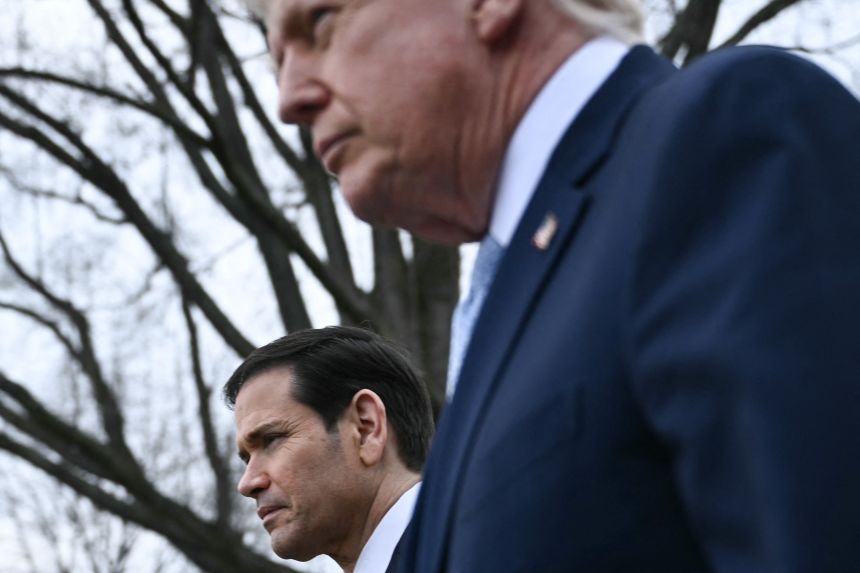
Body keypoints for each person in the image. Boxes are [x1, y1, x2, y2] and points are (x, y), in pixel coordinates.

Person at [249, 0, 860, 570]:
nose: (288, 99)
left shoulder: (721, 135)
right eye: (278, 60)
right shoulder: (511, 296)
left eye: (323, 22)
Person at [224, 326, 434, 573]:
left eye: (271, 439)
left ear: (366, 428)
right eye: (246, 459)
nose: (247, 484)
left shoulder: (475, 552)